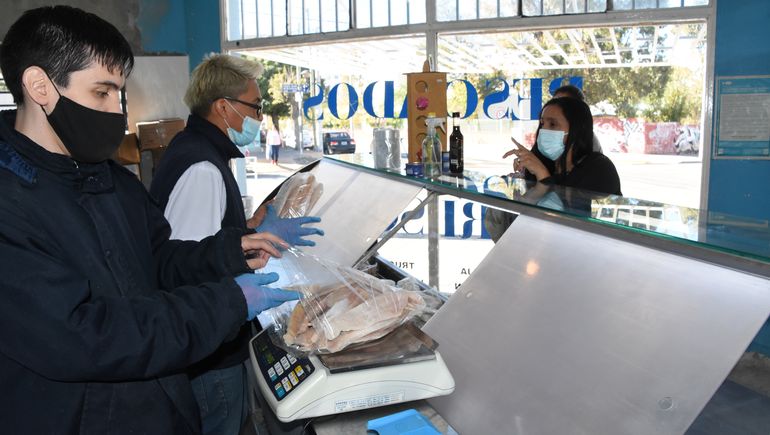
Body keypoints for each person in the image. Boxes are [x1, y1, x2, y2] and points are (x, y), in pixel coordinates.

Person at [0, 6, 299, 434]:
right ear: (39, 87)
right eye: (101, 93)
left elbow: (156, 259)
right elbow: (85, 337)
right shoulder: (10, 205)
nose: (117, 112)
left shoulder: (110, 180)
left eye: (118, 94)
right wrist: (227, 303)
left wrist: (229, 252)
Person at [150, 53, 323, 435]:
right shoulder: (202, 167)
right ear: (224, 107)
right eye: (255, 106)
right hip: (209, 357)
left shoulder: (197, 149)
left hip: (208, 344)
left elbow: (201, 237)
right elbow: (186, 264)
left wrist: (248, 230)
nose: (260, 117)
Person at [485, 97, 621, 242]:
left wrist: (543, 177)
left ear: (577, 129)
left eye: (553, 124)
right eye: (542, 124)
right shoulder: (543, 162)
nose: (544, 130)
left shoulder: (598, 167)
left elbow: (574, 218)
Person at [552, 84, 603, 153]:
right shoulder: (550, 134)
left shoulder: (587, 140)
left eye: (563, 104)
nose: (555, 108)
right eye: (553, 103)